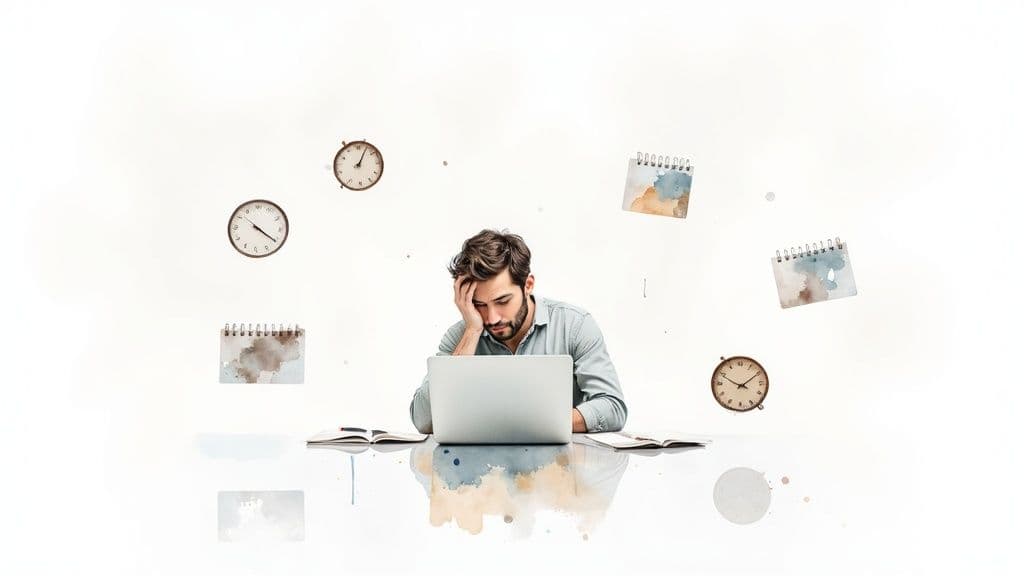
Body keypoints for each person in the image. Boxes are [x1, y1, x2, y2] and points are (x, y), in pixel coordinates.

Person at [409, 229, 627, 434]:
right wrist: (472, 331)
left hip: (559, 468)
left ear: (528, 285)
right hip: (481, 470)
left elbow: (612, 407)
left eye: (502, 301)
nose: (492, 318)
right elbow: (423, 420)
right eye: (479, 305)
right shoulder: (462, 336)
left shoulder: (575, 326)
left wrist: (533, 425)